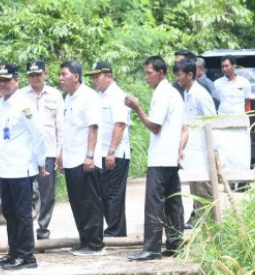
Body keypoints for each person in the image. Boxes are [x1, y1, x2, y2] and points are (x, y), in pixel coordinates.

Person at [125, 56, 187, 260]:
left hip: (161, 157)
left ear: (160, 73)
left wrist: (137, 108)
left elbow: (154, 126)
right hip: (169, 156)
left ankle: (151, 248)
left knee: (155, 202)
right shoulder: (173, 93)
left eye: (149, 73)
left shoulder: (162, 93)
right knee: (172, 201)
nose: (147, 78)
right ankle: (175, 243)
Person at [0, 63, 47, 270]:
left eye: (7, 80)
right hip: (6, 168)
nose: (3, 84)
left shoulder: (24, 105)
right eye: (0, 81)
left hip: (22, 168)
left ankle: (27, 256)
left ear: (16, 80)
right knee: (9, 212)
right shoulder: (1, 104)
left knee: (23, 213)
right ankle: (14, 252)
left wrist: (41, 163)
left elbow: (39, 135)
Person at [57, 60, 105, 256]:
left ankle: (95, 244)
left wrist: (90, 156)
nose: (60, 78)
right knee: (77, 202)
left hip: (85, 159)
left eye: (64, 74)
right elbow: (67, 129)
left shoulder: (88, 97)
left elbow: (92, 127)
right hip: (71, 159)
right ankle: (84, 240)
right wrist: (61, 154)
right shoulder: (68, 98)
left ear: (76, 76)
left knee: (90, 202)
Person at [19, 59, 64, 240]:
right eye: (31, 75)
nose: (35, 77)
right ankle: (26, 228)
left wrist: (61, 151)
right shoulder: (20, 96)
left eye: (38, 74)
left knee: (47, 192)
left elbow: (60, 125)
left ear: (45, 73)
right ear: (27, 76)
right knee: (25, 191)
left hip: (49, 152)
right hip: (26, 152)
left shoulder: (55, 95)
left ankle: (43, 228)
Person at [86, 61, 130, 237]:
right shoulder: (100, 96)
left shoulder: (117, 96)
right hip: (102, 153)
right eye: (94, 77)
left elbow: (119, 125)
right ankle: (113, 229)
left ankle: (116, 231)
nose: (95, 80)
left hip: (115, 154)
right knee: (105, 193)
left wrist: (111, 152)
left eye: (98, 76)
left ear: (109, 76)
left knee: (113, 194)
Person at [174, 58, 217, 229]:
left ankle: (214, 227)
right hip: (192, 151)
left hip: (203, 152)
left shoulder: (201, 94)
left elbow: (212, 122)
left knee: (205, 191)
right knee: (195, 191)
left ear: (190, 75)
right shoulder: (186, 93)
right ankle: (203, 226)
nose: (177, 79)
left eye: (180, 76)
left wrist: (213, 152)